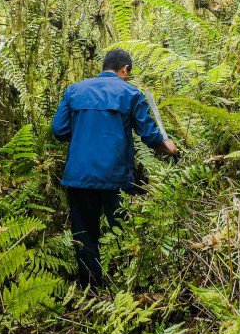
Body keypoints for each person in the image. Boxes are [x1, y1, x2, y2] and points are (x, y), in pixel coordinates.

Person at [51, 48, 178, 289]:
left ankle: (91, 290)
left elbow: (59, 130)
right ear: (125, 69)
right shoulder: (131, 93)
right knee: (123, 232)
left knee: (85, 235)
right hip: (116, 179)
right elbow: (149, 135)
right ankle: (126, 288)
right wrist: (168, 148)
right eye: (128, 73)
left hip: (79, 177)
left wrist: (83, 131)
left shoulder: (74, 90)